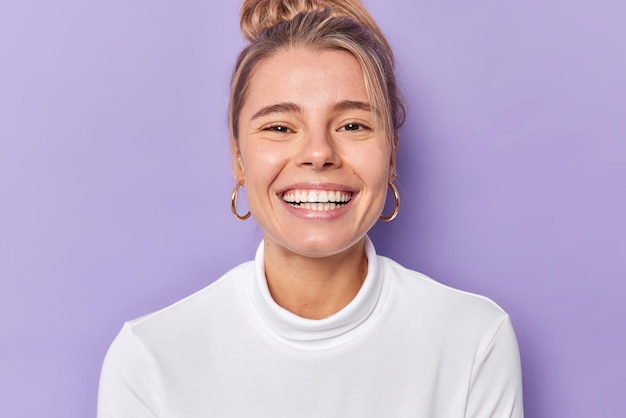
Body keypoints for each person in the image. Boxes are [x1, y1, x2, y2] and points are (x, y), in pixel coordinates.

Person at [97, 0, 524, 416]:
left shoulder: (474, 340)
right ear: (238, 159)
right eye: (280, 127)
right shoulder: (150, 359)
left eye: (353, 125)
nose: (319, 153)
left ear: (391, 155)